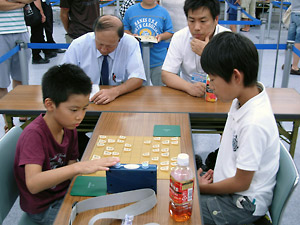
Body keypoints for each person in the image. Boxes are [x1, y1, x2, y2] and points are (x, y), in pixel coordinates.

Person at [14, 64, 120, 224]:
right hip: (44, 208)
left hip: (66, 194)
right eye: (74, 110)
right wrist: (78, 167)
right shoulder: (34, 135)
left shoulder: (68, 127)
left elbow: (71, 164)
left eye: (84, 109)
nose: (80, 116)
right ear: (50, 104)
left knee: (113, 207)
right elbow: (33, 184)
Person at [198, 31, 280, 224]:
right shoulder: (243, 98)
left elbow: (241, 183)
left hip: (242, 203)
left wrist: (201, 188)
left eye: (213, 78)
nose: (210, 85)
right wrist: (218, 171)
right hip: (231, 187)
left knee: (181, 202)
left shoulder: (254, 122)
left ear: (235, 76)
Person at [62, 15, 146, 105]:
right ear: (95, 34)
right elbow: (63, 74)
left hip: (119, 100)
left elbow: (138, 77)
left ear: (119, 40)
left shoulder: (130, 43)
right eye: (100, 43)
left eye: (110, 46)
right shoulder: (79, 44)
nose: (103, 49)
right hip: (85, 100)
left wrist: (115, 91)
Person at [161, 0, 230, 97]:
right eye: (192, 21)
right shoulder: (179, 37)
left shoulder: (228, 39)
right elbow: (166, 74)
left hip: (220, 96)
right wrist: (189, 87)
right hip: (189, 95)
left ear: (216, 19)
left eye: (203, 21)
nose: (196, 27)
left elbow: (233, 77)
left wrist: (208, 54)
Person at [123, 0, 173, 86]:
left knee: (161, 90)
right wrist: (131, 36)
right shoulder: (131, 11)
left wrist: (161, 37)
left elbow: (169, 31)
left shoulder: (163, 12)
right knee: (138, 91)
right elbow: (124, 29)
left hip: (159, 59)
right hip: (137, 59)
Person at [0, 0, 33, 132]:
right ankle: (7, 120)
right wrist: (20, 4)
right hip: (1, 34)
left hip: (21, 31)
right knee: (1, 83)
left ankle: (23, 112)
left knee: (21, 77)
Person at [287, 0, 300, 75]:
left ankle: (288, 63)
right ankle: (295, 67)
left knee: (290, 39)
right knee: (299, 40)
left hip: (293, 12)